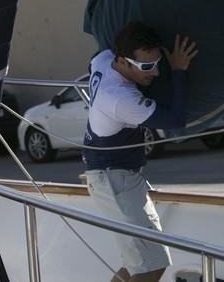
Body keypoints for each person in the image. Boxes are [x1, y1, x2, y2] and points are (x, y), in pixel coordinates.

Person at [82, 22, 197, 282]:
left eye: (158, 63)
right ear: (122, 62)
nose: (156, 72)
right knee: (150, 268)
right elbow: (176, 119)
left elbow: (91, 61)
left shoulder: (103, 60)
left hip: (110, 179)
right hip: (115, 182)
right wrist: (178, 70)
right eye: (147, 67)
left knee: (137, 266)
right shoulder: (121, 98)